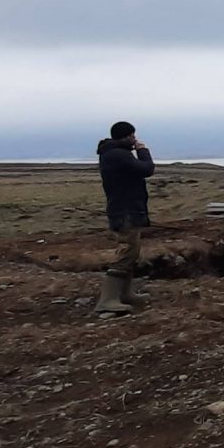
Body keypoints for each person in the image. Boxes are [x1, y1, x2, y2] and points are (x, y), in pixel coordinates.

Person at [95, 121, 155, 315]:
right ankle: (108, 300)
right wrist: (143, 150)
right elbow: (147, 169)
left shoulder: (113, 153)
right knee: (127, 250)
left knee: (132, 251)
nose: (135, 139)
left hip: (126, 208)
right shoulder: (118, 155)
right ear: (127, 136)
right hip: (125, 210)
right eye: (132, 136)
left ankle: (125, 293)